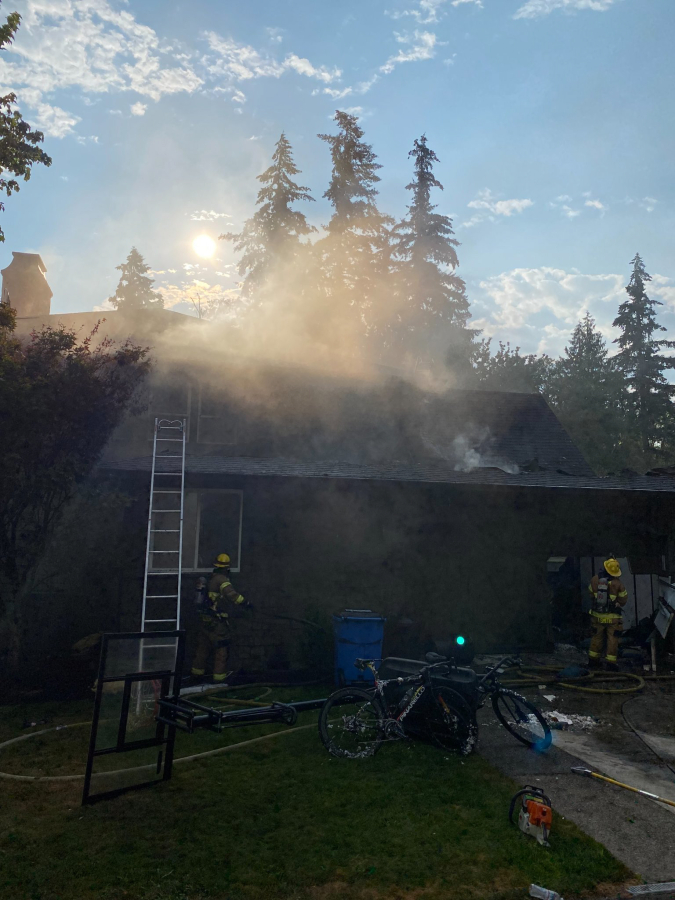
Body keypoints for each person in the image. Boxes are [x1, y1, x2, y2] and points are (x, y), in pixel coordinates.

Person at [190, 553, 251, 684]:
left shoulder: (209, 578)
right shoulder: (222, 580)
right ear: (226, 568)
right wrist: (246, 603)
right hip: (217, 622)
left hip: (204, 620)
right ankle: (219, 680)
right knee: (221, 650)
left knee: (203, 648)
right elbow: (232, 595)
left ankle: (196, 675)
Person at [588, 557, 628, 670]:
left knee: (596, 637)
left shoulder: (594, 580)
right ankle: (610, 664)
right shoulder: (618, 584)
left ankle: (593, 661)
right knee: (613, 639)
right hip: (613, 619)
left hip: (597, 616)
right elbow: (623, 600)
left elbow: (591, 594)